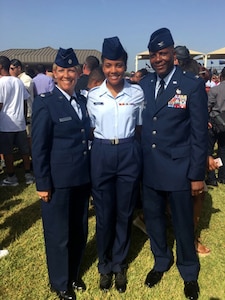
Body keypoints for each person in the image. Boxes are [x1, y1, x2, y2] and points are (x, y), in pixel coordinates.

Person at [139, 28, 208, 300]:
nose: (158, 59)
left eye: (163, 53)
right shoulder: (143, 84)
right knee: (154, 220)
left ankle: (189, 271)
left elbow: (199, 134)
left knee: (182, 223)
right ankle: (161, 260)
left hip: (180, 168)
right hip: (150, 167)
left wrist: (196, 175)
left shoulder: (191, 85)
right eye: (154, 54)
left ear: (172, 53)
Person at [32, 48, 91, 300]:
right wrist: (43, 183)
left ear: (78, 73)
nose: (66, 75)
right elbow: (39, 147)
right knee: (58, 234)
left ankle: (74, 273)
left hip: (81, 178)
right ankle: (60, 282)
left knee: (79, 229)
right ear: (53, 73)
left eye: (71, 70)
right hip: (57, 182)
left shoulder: (82, 101)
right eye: (61, 70)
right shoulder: (45, 103)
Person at [87, 36, 144, 293]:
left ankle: (119, 264)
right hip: (101, 153)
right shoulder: (93, 94)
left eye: (119, 65)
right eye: (109, 65)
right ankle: (104, 264)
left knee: (124, 212)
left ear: (124, 65)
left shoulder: (137, 92)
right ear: (103, 65)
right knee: (104, 214)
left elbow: (141, 127)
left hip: (128, 150)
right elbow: (89, 129)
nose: (114, 71)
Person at [174, 45, 211, 256]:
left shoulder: (193, 80)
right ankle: (191, 236)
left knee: (197, 194)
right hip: (174, 149)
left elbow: (198, 124)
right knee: (194, 196)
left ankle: (191, 236)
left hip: (190, 148)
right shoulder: (161, 82)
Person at [0, 56, 34, 186]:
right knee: (24, 150)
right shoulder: (18, 81)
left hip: (6, 124)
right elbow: (25, 101)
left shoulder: (1, 83)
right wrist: (24, 118)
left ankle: (11, 177)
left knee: (7, 152)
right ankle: (28, 175)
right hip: (19, 122)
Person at [206, 67, 225, 186]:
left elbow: (208, 106)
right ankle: (222, 176)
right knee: (223, 150)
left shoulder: (215, 90)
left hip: (214, 122)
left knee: (209, 150)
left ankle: (212, 177)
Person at [10, 59, 34, 147]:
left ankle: (32, 156)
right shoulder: (15, 79)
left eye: (12, 69)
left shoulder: (26, 79)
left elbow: (22, 92)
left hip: (27, 112)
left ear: (18, 68)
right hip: (18, 112)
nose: (10, 71)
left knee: (28, 137)